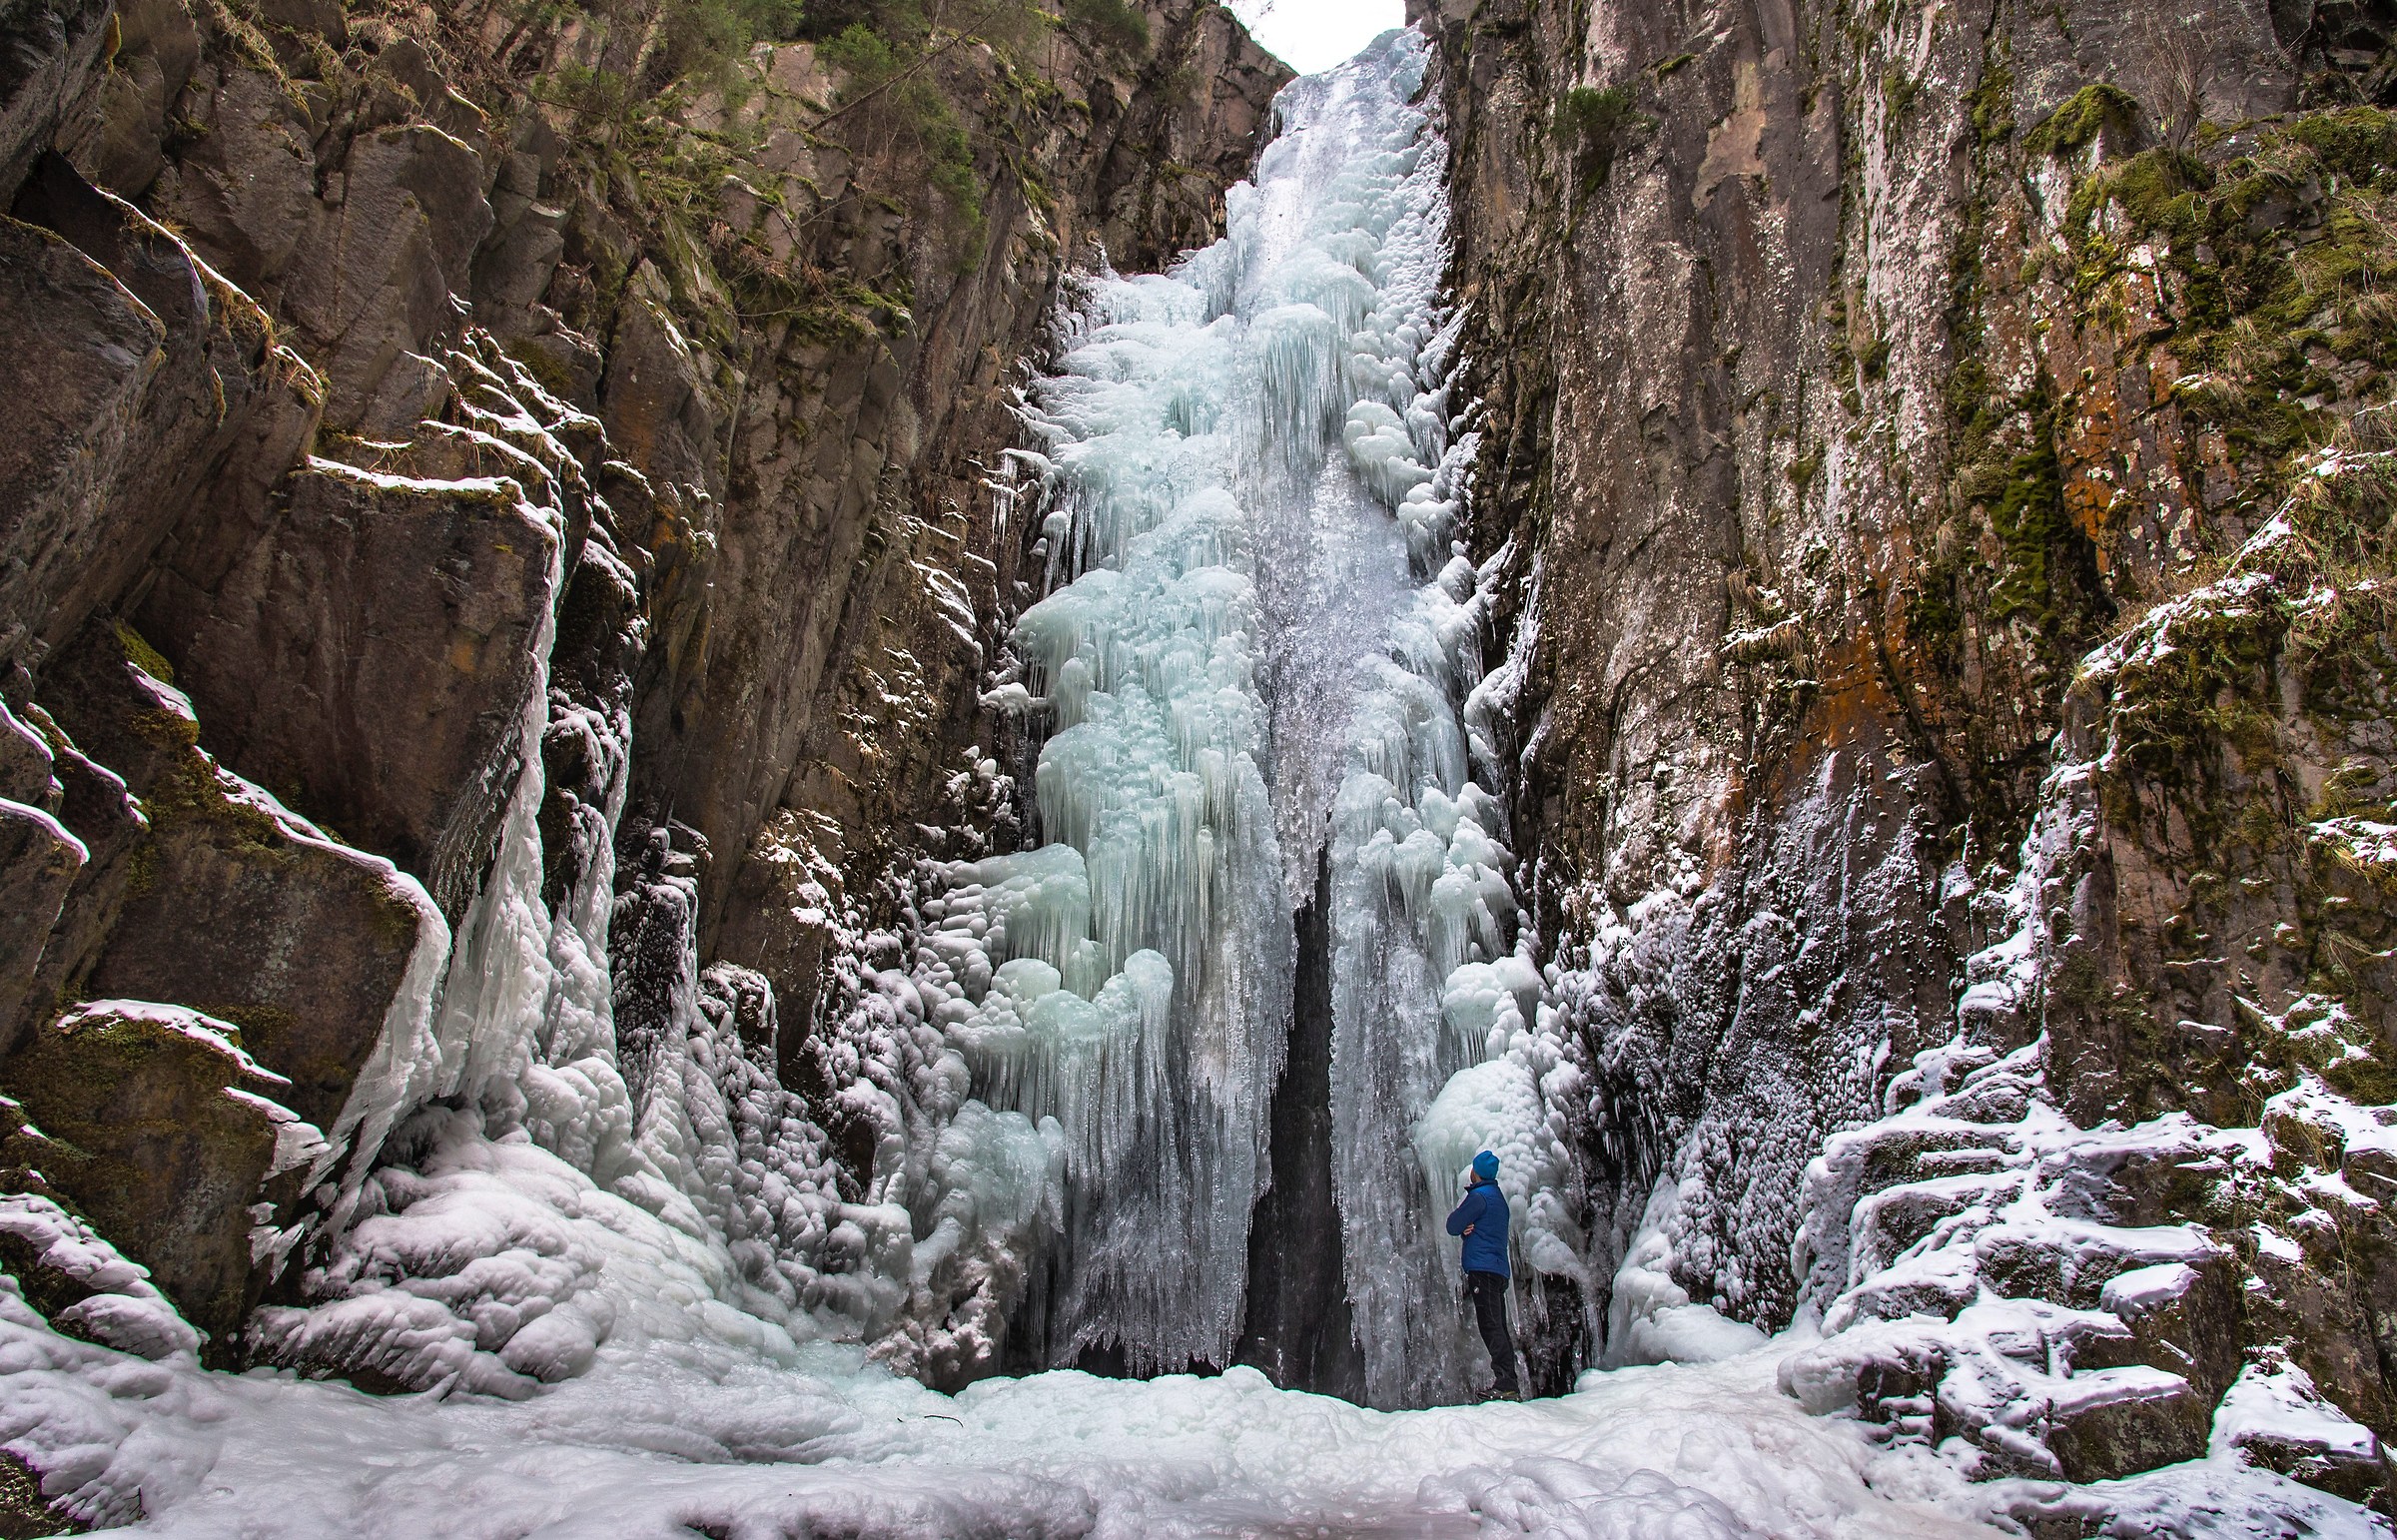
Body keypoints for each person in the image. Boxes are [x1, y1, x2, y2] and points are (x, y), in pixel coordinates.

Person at [1445, 1149, 1521, 1401]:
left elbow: (1453, 1225)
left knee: (1490, 1326)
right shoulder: (1498, 1199)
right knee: (1498, 1325)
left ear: (1475, 1172)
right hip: (1498, 1270)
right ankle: (1507, 1381)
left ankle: (1506, 1384)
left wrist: (1464, 1228)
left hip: (1483, 1270)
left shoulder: (1480, 1198)